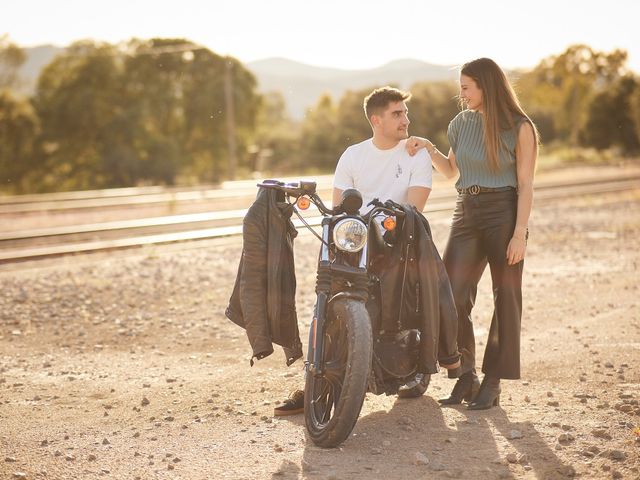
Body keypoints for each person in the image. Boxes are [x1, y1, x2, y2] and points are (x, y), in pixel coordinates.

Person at [274, 86, 453, 415]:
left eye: (405, 113)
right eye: (397, 114)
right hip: (354, 242)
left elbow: (413, 209)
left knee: (402, 301)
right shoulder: (353, 155)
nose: (406, 119)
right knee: (325, 299)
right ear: (376, 120)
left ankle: (413, 364)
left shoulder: (416, 155)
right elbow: (339, 207)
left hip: (397, 243)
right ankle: (315, 378)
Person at [406, 57, 538, 410]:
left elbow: (525, 185)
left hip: (504, 213)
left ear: (486, 86)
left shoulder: (520, 126)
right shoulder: (460, 124)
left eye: (466, 87)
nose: (460, 94)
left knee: (505, 296)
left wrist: (519, 233)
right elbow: (451, 171)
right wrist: (428, 148)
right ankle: (465, 373)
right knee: (451, 294)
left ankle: (493, 380)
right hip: (467, 211)